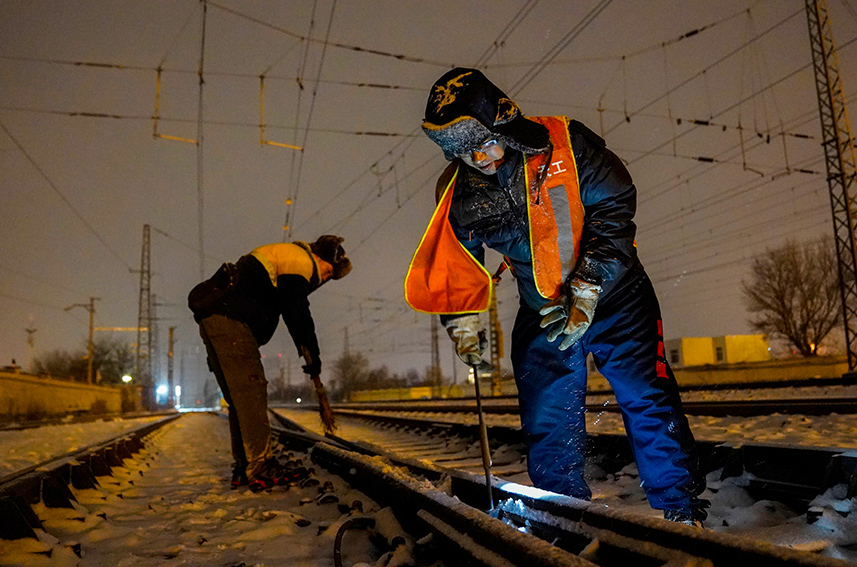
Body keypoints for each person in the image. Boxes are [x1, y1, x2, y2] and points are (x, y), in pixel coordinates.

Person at [405, 68, 707, 525]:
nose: (478, 157)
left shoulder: (565, 143)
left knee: (647, 396)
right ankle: (565, 515)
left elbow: (615, 204)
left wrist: (587, 287)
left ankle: (681, 510)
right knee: (549, 419)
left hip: (617, 295)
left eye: (483, 141)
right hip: (542, 309)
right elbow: (455, 265)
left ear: (502, 122)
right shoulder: (457, 193)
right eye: (461, 151)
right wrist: (463, 324)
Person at [189, 236, 352, 492]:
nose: (324, 278)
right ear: (321, 257)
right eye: (328, 271)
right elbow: (297, 311)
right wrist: (312, 355)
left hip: (216, 322)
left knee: (239, 400)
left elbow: (289, 307)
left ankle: (245, 467)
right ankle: (260, 467)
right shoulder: (299, 260)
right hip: (232, 323)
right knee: (252, 395)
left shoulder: (282, 256)